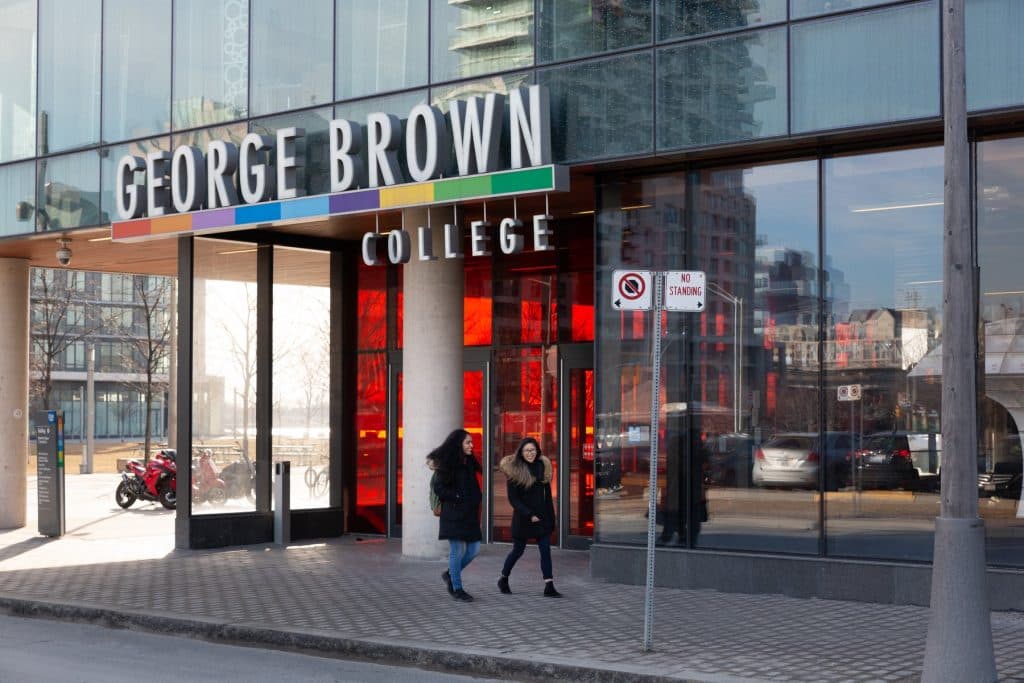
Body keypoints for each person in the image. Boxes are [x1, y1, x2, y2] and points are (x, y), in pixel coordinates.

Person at [497, 437, 562, 598]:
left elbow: (547, 497)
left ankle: (549, 585)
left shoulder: (543, 467)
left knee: (545, 551)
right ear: (521, 452)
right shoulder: (515, 471)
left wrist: (551, 519)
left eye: (533, 450)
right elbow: (513, 499)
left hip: (542, 518)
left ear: (537, 451)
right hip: (523, 518)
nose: (530, 453)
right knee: (518, 551)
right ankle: (503, 578)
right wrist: (529, 514)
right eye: (526, 450)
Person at [430, 428, 483, 602]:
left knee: (474, 550)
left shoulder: (469, 461)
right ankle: (457, 589)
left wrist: (476, 498)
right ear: (458, 444)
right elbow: (438, 488)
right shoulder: (447, 464)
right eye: (468, 442)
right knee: (457, 550)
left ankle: (450, 574)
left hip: (469, 515)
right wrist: (458, 496)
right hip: (453, 514)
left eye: (471, 442)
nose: (471, 445)